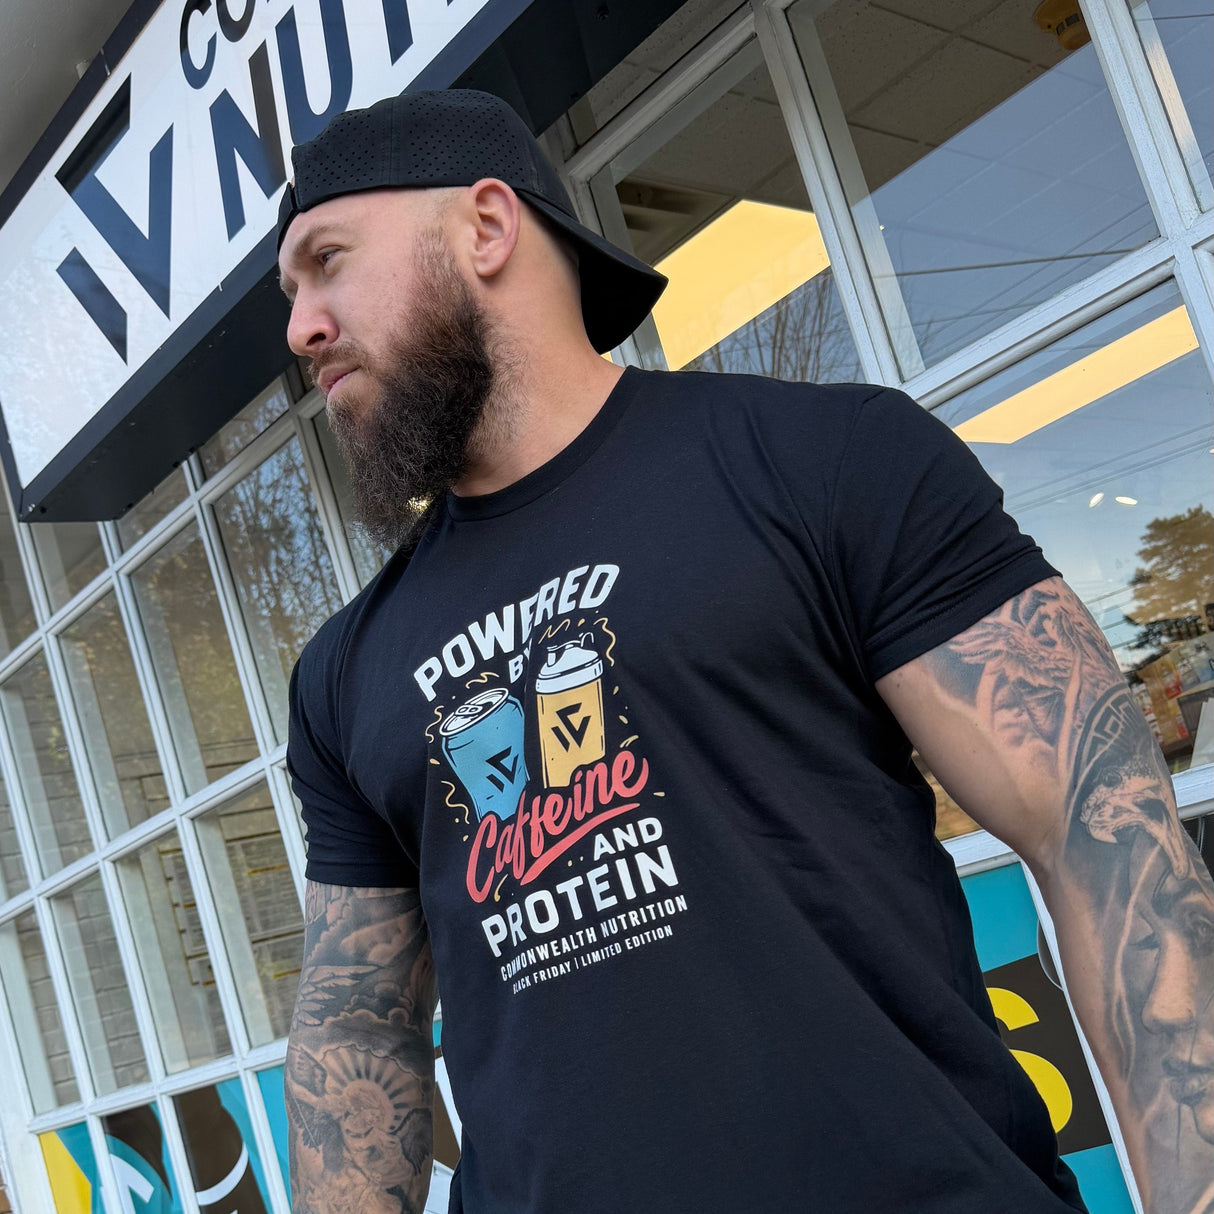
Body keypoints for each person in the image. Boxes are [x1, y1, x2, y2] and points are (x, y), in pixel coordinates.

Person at [277, 89, 1214, 1214]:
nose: (302, 329)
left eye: (327, 263)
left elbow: (1104, 834)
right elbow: (354, 1030)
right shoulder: (344, 672)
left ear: (485, 227)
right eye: (292, 294)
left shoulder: (824, 464)